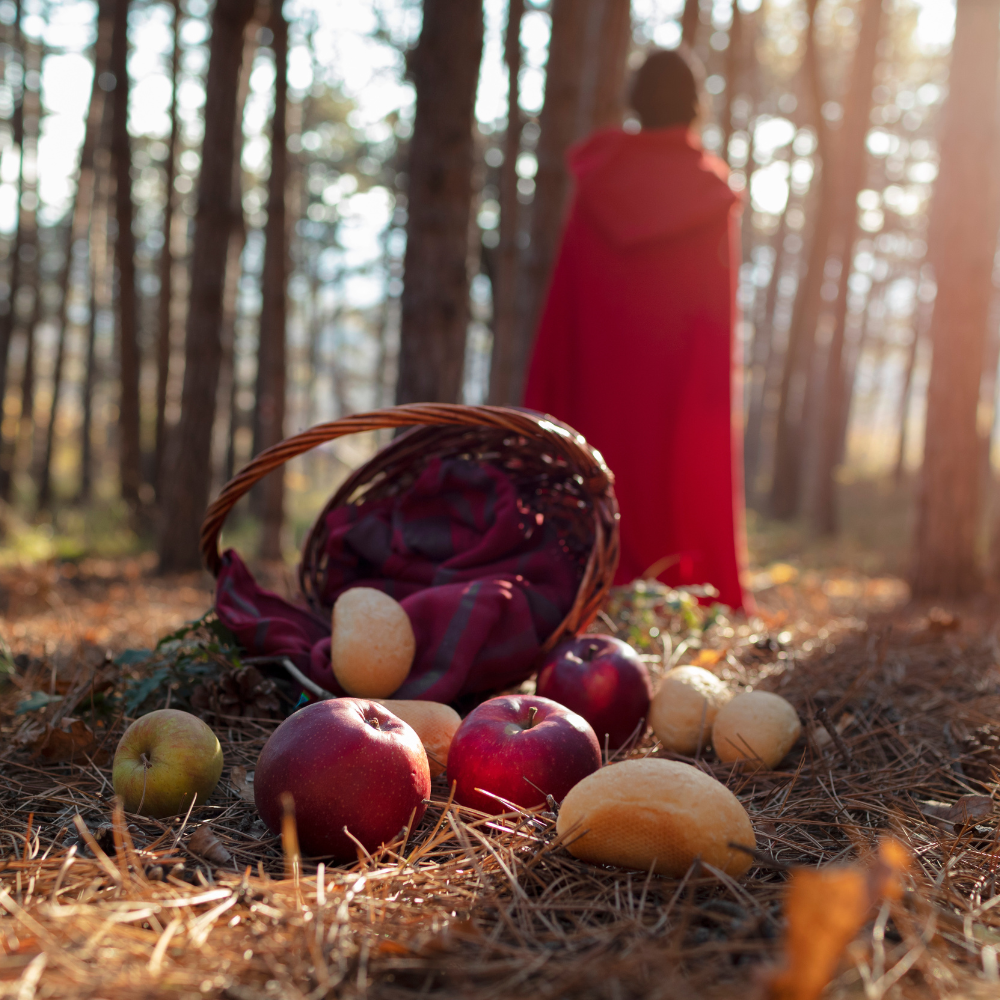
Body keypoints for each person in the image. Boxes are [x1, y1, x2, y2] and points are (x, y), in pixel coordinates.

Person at [523, 47, 749, 610]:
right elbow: (714, 318)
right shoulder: (708, 191)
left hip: (599, 385)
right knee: (664, 482)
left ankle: (593, 577)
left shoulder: (601, 179)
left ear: (635, 103)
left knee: (601, 472)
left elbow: (566, 303)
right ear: (695, 107)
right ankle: (666, 587)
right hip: (671, 385)